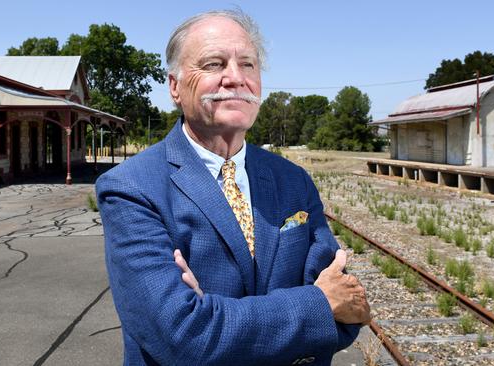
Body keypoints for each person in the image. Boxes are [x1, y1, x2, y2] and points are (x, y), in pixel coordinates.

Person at [97, 9, 370, 366]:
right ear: (175, 86)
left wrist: (213, 317)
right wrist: (316, 305)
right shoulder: (131, 187)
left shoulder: (293, 180)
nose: (235, 78)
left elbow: (346, 314)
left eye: (248, 65)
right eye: (213, 64)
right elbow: (182, 337)